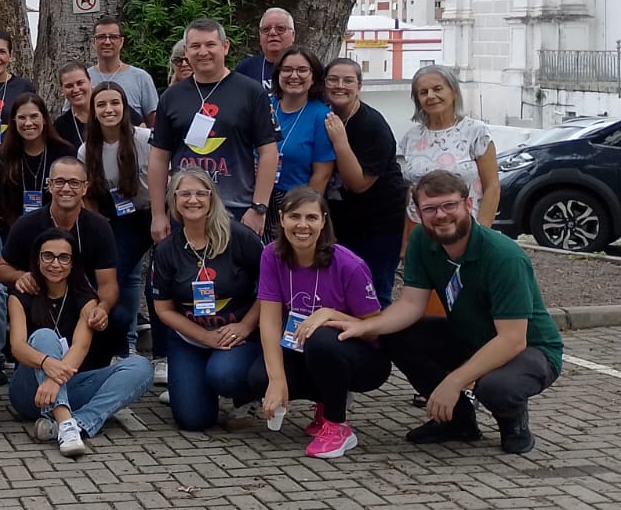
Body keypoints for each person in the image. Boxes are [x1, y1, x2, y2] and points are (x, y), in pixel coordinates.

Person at [330, 170, 562, 454]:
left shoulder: (504, 256)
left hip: (530, 348)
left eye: (448, 205)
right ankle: (458, 422)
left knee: (495, 387)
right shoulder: (422, 242)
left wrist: (454, 381)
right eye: (429, 208)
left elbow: (512, 340)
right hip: (470, 336)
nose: (440, 215)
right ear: (418, 212)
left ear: (467, 204)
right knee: (395, 334)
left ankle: (513, 423)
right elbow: (410, 305)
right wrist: (365, 327)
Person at [248, 188, 390, 459]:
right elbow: (269, 319)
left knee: (322, 338)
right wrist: (277, 380)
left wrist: (329, 314)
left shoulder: (349, 265)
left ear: (324, 221)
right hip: (303, 346)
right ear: (281, 218)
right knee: (259, 378)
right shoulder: (271, 255)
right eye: (294, 216)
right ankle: (326, 400)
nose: (303, 225)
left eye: (311, 217)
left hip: (362, 356)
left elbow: (375, 325)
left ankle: (338, 426)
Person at [7, 228, 152, 455]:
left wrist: (55, 381)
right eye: (48, 256)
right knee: (45, 335)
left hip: (64, 385)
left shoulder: (85, 298)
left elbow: (80, 347)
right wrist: (46, 363)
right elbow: (17, 347)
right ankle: (66, 422)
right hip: (30, 392)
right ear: (37, 259)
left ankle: (77, 424)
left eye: (64, 258)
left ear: (73, 263)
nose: (55, 264)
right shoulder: (21, 295)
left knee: (141, 366)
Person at [151, 166, 265, 431]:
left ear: (212, 198)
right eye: (185, 194)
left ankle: (245, 397)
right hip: (191, 339)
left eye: (201, 193)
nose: (193, 200)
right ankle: (194, 386)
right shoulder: (167, 249)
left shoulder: (240, 237)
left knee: (223, 374)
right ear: (174, 200)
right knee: (193, 420)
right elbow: (163, 309)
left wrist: (245, 326)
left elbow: (272, 290)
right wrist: (205, 338)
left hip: (239, 334)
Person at [148, 18, 279, 241]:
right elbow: (159, 158)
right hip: (185, 208)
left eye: (210, 44)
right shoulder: (171, 97)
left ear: (225, 47)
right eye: (196, 46)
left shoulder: (250, 91)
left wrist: (259, 208)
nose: (203, 52)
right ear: (186, 51)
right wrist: (158, 214)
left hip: (237, 208)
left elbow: (268, 152)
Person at [322, 58, 407, 305]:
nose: (340, 86)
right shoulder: (322, 114)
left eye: (348, 80)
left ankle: (380, 341)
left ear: (359, 86)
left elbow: (359, 183)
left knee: (373, 293)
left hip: (378, 224)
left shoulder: (372, 125)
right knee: (339, 292)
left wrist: (340, 141)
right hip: (339, 222)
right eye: (333, 79)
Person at [82, 82, 152, 355]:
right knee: (115, 276)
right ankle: (123, 344)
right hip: (120, 218)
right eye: (101, 104)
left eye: (114, 103)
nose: (109, 109)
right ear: (94, 111)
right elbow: (89, 196)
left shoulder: (145, 139)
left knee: (155, 280)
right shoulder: (86, 149)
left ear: (125, 107)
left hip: (155, 212)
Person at [0, 157, 119, 312]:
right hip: (37, 300)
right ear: (50, 185)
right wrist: (19, 276)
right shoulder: (26, 224)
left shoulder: (99, 227)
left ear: (85, 188)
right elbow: (2, 268)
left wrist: (103, 308)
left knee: (119, 319)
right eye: (60, 181)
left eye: (74, 183)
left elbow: (108, 284)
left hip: (83, 302)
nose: (66, 188)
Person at [398, 65, 499, 227]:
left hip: (465, 230)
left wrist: (481, 234)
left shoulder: (475, 132)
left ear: (454, 92)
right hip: (422, 232)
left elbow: (492, 188)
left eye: (437, 89)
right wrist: (407, 243)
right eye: (423, 92)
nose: (431, 96)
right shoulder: (412, 137)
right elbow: (411, 198)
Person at [0, 93, 73, 229]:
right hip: (15, 230)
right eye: (21, 117)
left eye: (34, 116)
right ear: (14, 122)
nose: (28, 123)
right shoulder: (3, 156)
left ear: (44, 119)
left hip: (58, 228)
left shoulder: (64, 152)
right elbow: (2, 203)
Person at [270, 45, 336, 200]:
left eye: (302, 70)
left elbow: (322, 173)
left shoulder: (321, 116)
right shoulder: (263, 106)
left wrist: (304, 209)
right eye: (286, 69)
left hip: (295, 199)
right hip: (255, 194)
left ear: (313, 77)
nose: (294, 76)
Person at [87, 17, 158, 126]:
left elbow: (153, 121)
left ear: (121, 41)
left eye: (113, 37)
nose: (107, 42)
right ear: (93, 42)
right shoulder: (84, 80)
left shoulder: (141, 77)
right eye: (101, 37)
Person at [236, 7, 295, 92]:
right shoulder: (246, 68)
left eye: (280, 29)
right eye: (266, 29)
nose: (272, 33)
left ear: (293, 35)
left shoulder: (306, 66)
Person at [54, 61, 92, 149]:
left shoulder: (111, 113)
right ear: (62, 89)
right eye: (69, 86)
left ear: (90, 81)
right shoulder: (60, 127)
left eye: (80, 83)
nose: (76, 90)